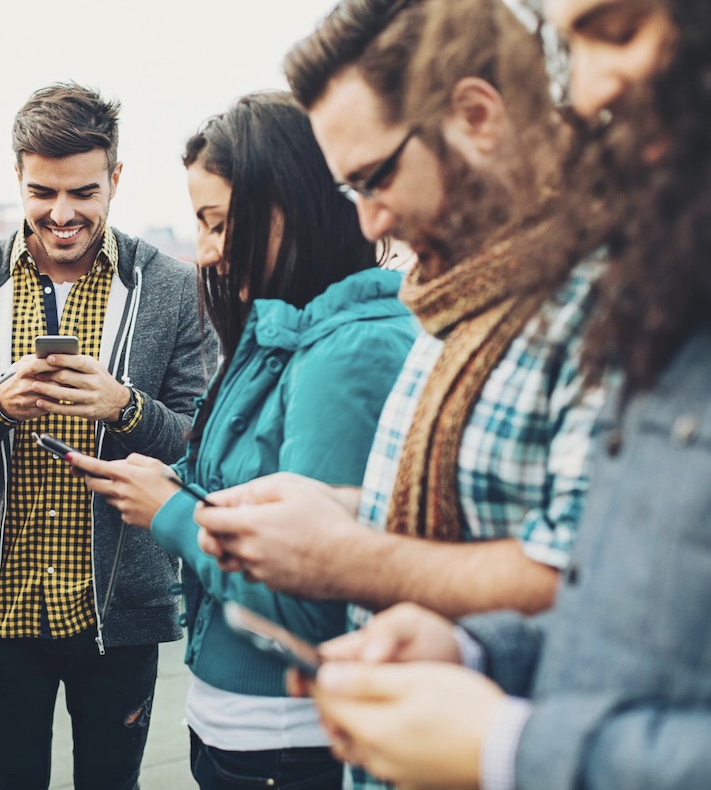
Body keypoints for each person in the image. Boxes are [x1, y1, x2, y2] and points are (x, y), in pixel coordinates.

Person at [301, 2, 711, 788]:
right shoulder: (642, 284)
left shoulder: (609, 296)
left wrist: (506, 747)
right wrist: (472, 648)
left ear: (477, 115)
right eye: (570, 47)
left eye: (617, 29)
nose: (586, 94)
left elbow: (560, 572)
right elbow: (619, 612)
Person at [195, 0, 602, 624]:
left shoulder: (607, 301)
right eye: (351, 191)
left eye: (376, 178)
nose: (370, 221)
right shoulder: (454, 296)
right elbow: (480, 515)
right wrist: (347, 509)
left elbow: (590, 574)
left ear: (477, 116)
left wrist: (350, 556)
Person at [66, 92, 416, 790]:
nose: (206, 252)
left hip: (289, 735)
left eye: (217, 222)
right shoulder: (273, 332)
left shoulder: (350, 355)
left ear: (288, 206)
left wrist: (169, 511)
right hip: (238, 724)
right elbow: (239, 498)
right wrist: (168, 483)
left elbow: (312, 589)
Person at [0, 82, 214, 790]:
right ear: (17, 178)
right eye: (42, 192)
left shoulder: (173, 288)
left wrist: (123, 406)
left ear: (116, 177)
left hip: (119, 609)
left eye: (83, 191)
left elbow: (199, 442)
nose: (62, 213)